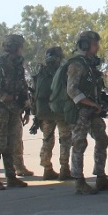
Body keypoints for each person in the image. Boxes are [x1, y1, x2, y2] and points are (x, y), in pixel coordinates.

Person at [66, 30, 108, 195]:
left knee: (102, 139)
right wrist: (91, 103)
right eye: (94, 44)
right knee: (79, 144)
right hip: (80, 111)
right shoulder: (77, 64)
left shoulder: (90, 65)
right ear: (85, 45)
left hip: (92, 111)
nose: (97, 47)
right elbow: (72, 90)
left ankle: (100, 176)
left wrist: (100, 102)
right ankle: (79, 181)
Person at [0, 34, 30, 190]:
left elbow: (23, 85)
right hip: (1, 110)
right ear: (14, 47)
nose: (22, 49)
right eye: (20, 46)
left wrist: (25, 104)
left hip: (14, 110)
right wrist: (12, 98)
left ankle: (11, 177)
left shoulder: (18, 65)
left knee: (11, 144)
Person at [32, 46, 73, 180]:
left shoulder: (41, 72)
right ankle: (64, 169)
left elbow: (35, 92)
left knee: (47, 140)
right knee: (65, 139)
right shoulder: (63, 70)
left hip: (44, 112)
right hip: (60, 111)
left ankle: (47, 168)